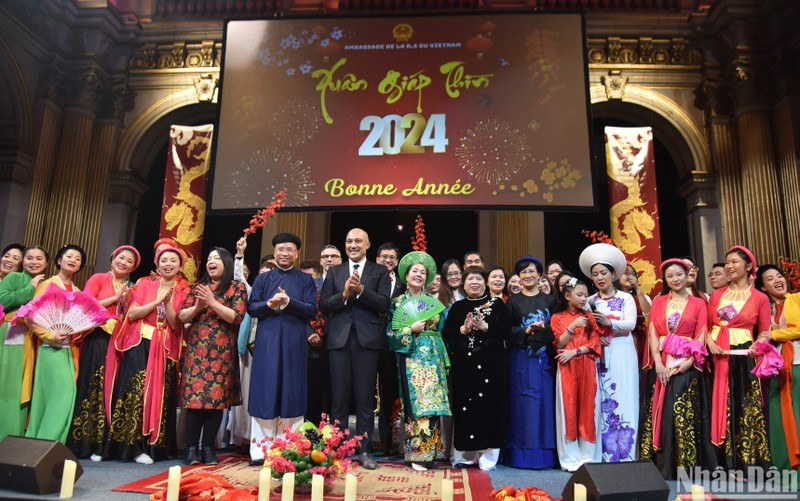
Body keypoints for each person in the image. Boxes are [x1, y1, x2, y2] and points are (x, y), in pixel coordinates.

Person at [104, 246, 190, 463]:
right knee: (135, 391)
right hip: (140, 343)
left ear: (180, 267)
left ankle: (154, 446)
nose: (168, 264)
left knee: (161, 395)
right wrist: (156, 300)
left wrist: (168, 301)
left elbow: (174, 323)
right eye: (164, 260)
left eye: (173, 260)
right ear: (157, 264)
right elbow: (132, 313)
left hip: (165, 348)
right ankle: (130, 447)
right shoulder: (144, 285)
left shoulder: (183, 293)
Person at [320, 228, 390, 469]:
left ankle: (364, 450)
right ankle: (336, 449)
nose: (353, 245)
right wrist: (345, 293)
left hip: (367, 341)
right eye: (349, 241)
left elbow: (383, 304)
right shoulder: (335, 271)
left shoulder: (379, 271)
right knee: (338, 399)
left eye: (358, 241)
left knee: (364, 399)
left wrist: (361, 291)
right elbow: (324, 305)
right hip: (338, 340)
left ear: (368, 244)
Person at [639, 259, 716, 479]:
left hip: (687, 364)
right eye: (670, 276)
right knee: (661, 410)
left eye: (679, 274)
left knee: (682, 411)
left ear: (688, 274)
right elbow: (653, 333)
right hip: (662, 362)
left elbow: (701, 334)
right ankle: (662, 464)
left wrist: (689, 363)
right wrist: (659, 363)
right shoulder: (659, 302)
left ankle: (686, 465)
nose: (675, 279)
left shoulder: (699, 303)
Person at [247, 233, 318, 464]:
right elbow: (251, 307)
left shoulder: (306, 280)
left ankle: (290, 446)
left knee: (292, 390)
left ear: (297, 253)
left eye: (289, 249)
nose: (284, 253)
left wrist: (289, 303)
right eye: (280, 249)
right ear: (275, 252)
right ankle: (261, 448)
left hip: (294, 342)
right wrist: (269, 304)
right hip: (267, 341)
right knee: (265, 390)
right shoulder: (263, 279)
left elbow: (311, 310)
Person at [68, 245, 140, 460]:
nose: (123, 262)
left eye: (129, 261)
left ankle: (104, 445)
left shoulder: (131, 288)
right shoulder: (99, 278)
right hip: (98, 337)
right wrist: (114, 298)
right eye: (121, 257)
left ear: (131, 268)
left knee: (113, 389)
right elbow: (84, 304)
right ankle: (86, 443)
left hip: (118, 341)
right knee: (94, 387)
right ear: (112, 258)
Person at [178, 248, 246, 465]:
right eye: (208, 259)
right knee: (195, 402)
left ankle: (208, 448)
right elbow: (181, 316)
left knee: (215, 402)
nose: (211, 262)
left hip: (222, 351)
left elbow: (236, 317)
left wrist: (213, 302)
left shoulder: (236, 287)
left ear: (226, 262)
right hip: (197, 351)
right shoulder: (198, 288)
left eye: (216, 258)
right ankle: (191, 449)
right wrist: (199, 305)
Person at [706, 246, 772, 471]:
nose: (729, 266)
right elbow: (706, 327)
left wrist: (758, 345)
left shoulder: (760, 298)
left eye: (734, 262)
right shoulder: (716, 295)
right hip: (717, 357)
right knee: (720, 408)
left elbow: (765, 331)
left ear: (748, 266)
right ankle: (723, 463)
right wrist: (711, 344)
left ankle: (747, 464)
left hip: (743, 356)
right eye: (727, 262)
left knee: (743, 407)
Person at [387, 251, 451, 469]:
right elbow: (390, 334)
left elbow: (442, 330)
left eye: (423, 272)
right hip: (411, 357)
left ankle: (432, 452)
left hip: (432, 358)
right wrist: (409, 328)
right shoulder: (398, 303)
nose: (419, 275)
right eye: (414, 271)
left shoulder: (433, 302)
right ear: (406, 275)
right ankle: (417, 454)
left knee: (432, 406)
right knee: (417, 406)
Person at [443, 266, 510, 470]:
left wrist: (486, 327)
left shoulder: (498, 305)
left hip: (492, 367)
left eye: (479, 279)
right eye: (470, 279)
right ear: (463, 284)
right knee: (465, 410)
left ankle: (488, 459)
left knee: (490, 409)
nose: (474, 282)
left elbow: (508, 330)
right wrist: (463, 329)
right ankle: (465, 456)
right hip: (464, 367)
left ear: (486, 282)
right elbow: (447, 333)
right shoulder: (457, 307)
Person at [579, 243, 639, 463]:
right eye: (595, 274)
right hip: (599, 354)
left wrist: (609, 323)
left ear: (614, 274)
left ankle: (624, 455)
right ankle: (602, 454)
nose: (599, 278)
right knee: (601, 398)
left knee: (623, 397)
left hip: (622, 353)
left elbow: (631, 324)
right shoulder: (591, 301)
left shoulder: (626, 299)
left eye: (603, 273)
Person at [25, 244, 86, 443]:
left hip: (70, 350)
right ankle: (43, 443)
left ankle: (51, 446)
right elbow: (31, 316)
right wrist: (50, 336)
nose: (73, 260)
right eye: (69, 256)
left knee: (67, 397)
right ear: (59, 260)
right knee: (59, 396)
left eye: (77, 259)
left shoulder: (77, 291)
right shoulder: (49, 284)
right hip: (50, 348)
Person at [505, 256, 558, 468]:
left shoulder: (550, 301)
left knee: (545, 403)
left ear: (539, 275)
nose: (528, 275)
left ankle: (545, 455)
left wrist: (544, 330)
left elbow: (557, 328)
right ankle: (518, 454)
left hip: (544, 359)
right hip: (520, 359)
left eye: (532, 271)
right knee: (521, 404)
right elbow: (507, 331)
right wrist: (526, 330)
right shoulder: (513, 301)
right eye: (523, 272)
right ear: (519, 276)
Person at [551, 277, 602, 471]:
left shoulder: (590, 317)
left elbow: (596, 344)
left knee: (589, 408)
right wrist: (572, 328)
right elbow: (558, 344)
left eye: (585, 295)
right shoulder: (557, 318)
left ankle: (588, 456)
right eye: (579, 295)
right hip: (567, 368)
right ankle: (570, 458)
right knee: (568, 409)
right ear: (567, 295)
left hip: (586, 366)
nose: (583, 299)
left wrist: (577, 351)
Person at [0, 245, 48, 440]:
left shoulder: (48, 283)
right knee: (9, 385)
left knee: (26, 386)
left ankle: (17, 435)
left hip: (35, 336)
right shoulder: (14, 278)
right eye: (29, 258)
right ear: (23, 261)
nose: (34, 262)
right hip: (13, 332)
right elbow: (3, 299)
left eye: (39, 258)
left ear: (46, 263)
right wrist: (31, 287)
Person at [757, 265, 800, 479]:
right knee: (777, 416)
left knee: (797, 414)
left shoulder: (797, 299)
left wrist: (773, 335)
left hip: (798, 363)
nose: (777, 280)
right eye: (770, 278)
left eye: (779, 276)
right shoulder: (768, 311)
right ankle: (784, 470)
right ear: (763, 287)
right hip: (777, 367)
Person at [377, 241, 404, 456]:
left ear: (397, 261)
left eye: (391, 257)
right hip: (367, 342)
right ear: (377, 258)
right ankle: (362, 441)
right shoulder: (367, 278)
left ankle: (388, 440)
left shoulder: (404, 284)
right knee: (363, 392)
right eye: (383, 256)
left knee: (389, 392)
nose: (387, 260)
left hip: (391, 347)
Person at [618, 263, 652, 367]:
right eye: (625, 274)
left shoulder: (643, 297)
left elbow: (648, 313)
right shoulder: (614, 298)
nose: (629, 277)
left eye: (632, 274)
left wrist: (637, 288)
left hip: (640, 339)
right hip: (621, 339)